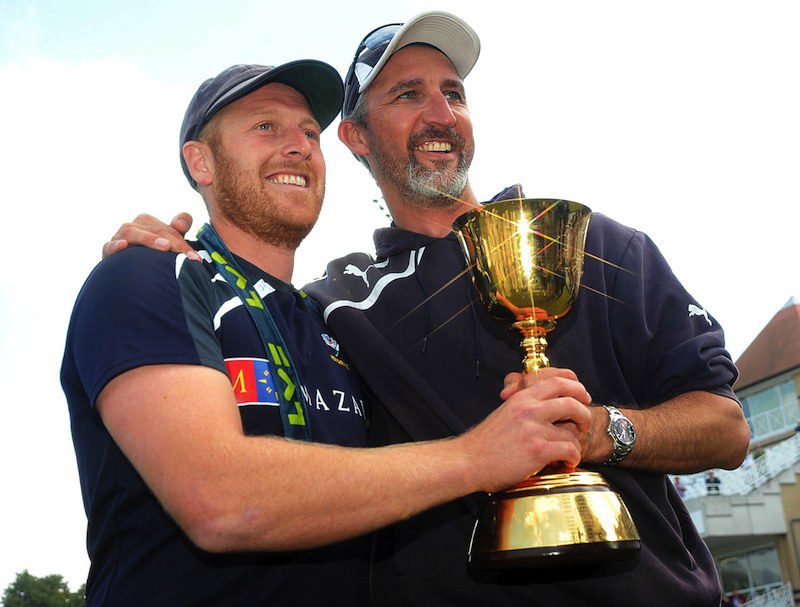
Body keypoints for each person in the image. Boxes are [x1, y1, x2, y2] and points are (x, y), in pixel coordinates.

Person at [106, 11, 751, 606]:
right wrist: (165, 249)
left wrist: (605, 431)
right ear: (356, 136)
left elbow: (727, 427)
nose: (440, 113)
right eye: (408, 95)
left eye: (454, 93)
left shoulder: (593, 243)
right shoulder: (336, 308)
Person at [63, 59, 594, 606]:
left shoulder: (334, 321)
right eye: (266, 126)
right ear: (201, 161)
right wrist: (477, 458)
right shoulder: (149, 275)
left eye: (310, 133)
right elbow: (221, 501)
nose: (298, 146)